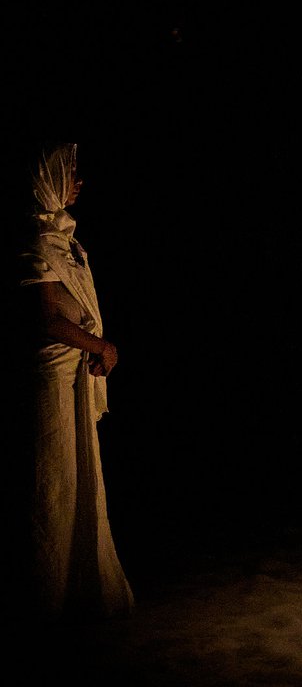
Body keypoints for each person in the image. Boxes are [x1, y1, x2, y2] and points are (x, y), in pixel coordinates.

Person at [13, 141, 134, 624]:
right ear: (45, 180)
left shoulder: (62, 239)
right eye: (68, 174)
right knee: (51, 486)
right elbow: (47, 319)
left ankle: (78, 591)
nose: (77, 182)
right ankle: (44, 600)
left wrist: (95, 347)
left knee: (77, 481)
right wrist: (100, 346)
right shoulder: (35, 240)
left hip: (73, 375)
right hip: (51, 379)